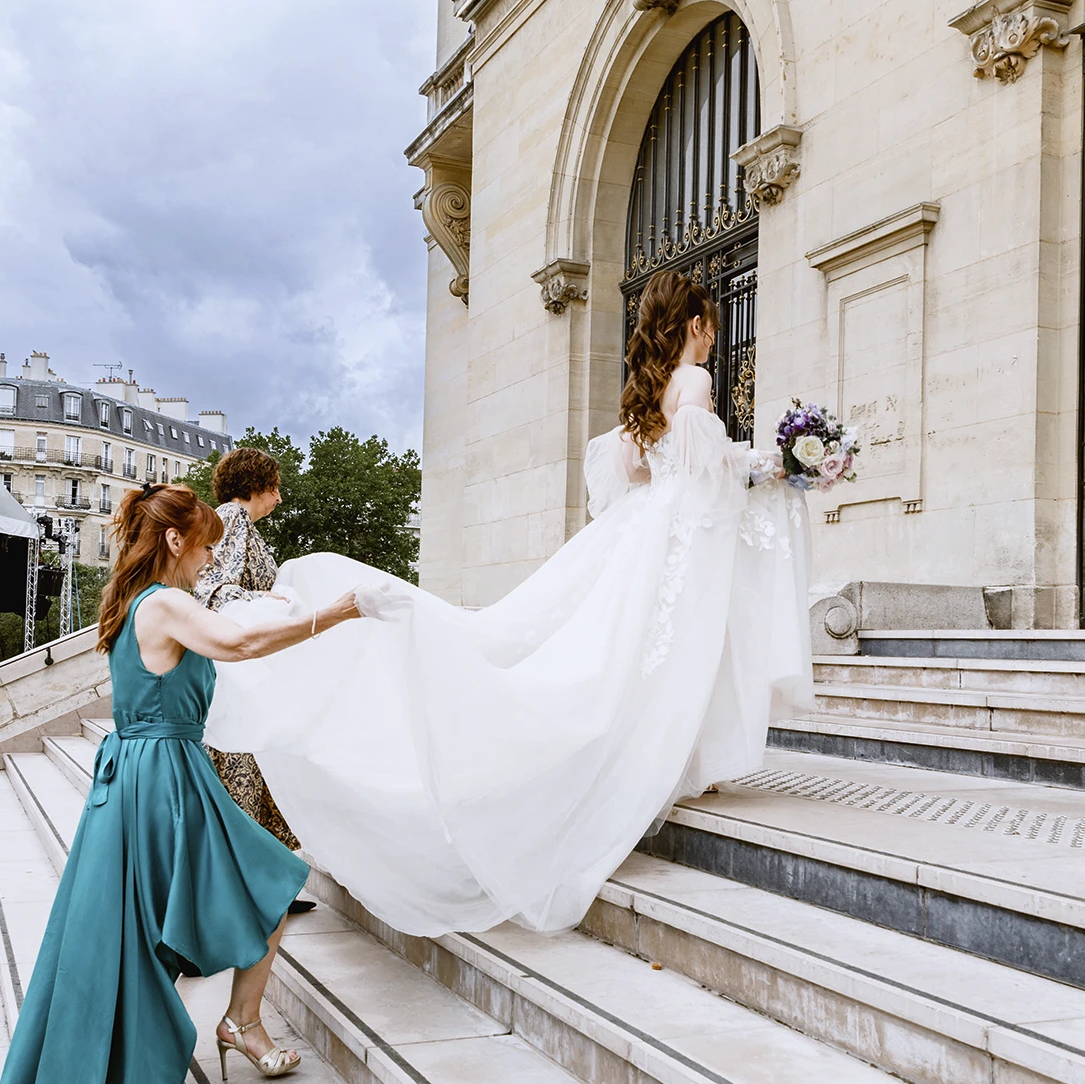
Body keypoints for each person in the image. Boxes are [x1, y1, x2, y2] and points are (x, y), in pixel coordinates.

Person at [204, 268, 811, 938]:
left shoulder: (647, 390)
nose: (712, 343)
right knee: (665, 654)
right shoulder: (693, 382)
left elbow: (638, 471)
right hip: (679, 538)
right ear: (697, 323)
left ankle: (683, 765)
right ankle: (684, 768)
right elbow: (707, 473)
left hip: (645, 534)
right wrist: (771, 470)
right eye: (710, 329)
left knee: (630, 657)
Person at [0, 484, 369, 1084]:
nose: (211, 554)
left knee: (145, 941)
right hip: (165, 780)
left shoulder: (138, 600)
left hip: (141, 778)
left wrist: (274, 603)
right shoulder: (166, 605)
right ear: (176, 541)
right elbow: (236, 648)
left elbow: (227, 630)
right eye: (205, 542)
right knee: (272, 882)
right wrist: (334, 615)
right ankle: (231, 1030)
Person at [194, 446, 315, 916]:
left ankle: (265, 887)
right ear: (255, 485)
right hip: (237, 675)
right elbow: (213, 588)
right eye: (275, 487)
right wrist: (273, 600)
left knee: (255, 776)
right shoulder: (232, 519)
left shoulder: (235, 522)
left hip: (245, 672)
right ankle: (243, 896)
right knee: (241, 773)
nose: (280, 498)